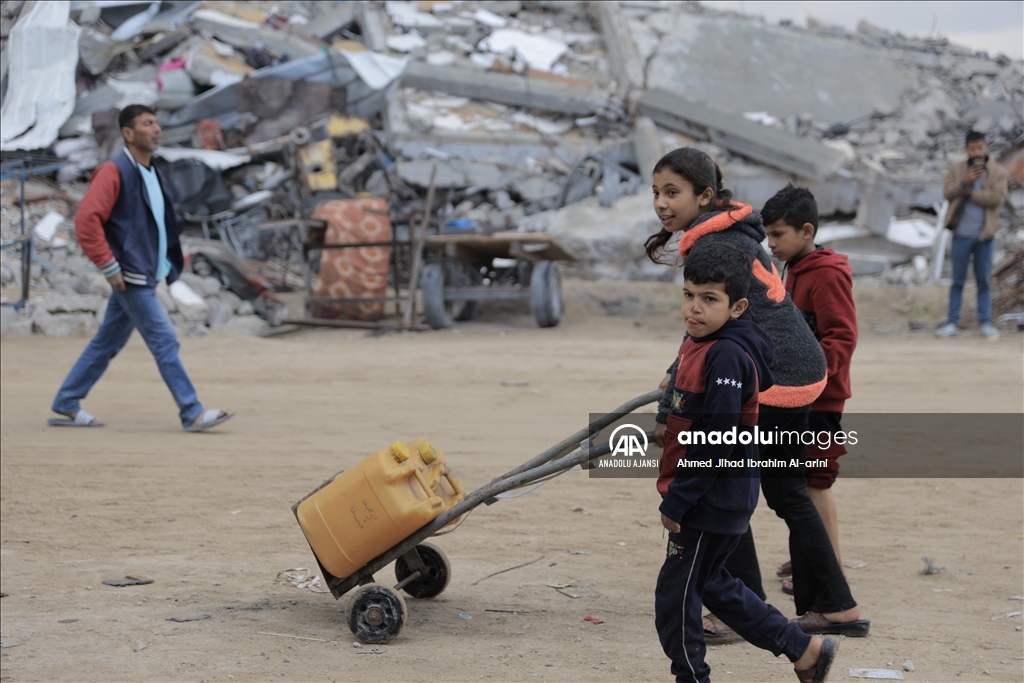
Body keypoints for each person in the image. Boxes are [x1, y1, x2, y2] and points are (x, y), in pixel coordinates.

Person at [647, 148, 868, 641]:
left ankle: (738, 608)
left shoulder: (714, 243)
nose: (661, 204)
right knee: (787, 492)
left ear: (705, 196)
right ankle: (836, 606)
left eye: (672, 192)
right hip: (796, 367)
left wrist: (673, 390)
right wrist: (675, 374)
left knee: (722, 483)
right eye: (656, 192)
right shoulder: (734, 231)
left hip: (773, 373)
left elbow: (706, 322)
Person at [655, 240, 838, 683]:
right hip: (717, 496)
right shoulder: (705, 344)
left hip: (709, 498)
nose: (694, 308)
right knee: (712, 583)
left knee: (675, 597)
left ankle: (691, 677)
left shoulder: (727, 355)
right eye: (689, 295)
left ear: (737, 307)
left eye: (709, 299)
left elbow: (718, 439)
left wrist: (679, 499)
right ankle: (803, 649)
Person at [49, 104, 233, 432]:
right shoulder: (113, 171)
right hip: (130, 274)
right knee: (165, 340)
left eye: (156, 123)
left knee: (107, 342)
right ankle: (191, 412)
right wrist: (109, 266)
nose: (156, 129)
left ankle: (67, 400)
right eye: (147, 124)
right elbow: (87, 221)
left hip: (145, 271)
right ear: (128, 134)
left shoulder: (151, 172)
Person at [763, 184, 858, 591]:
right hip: (796, 398)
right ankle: (809, 549)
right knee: (795, 481)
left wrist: (812, 376)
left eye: (778, 234)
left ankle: (830, 570)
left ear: (806, 231)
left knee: (814, 481)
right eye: (767, 235)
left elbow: (842, 336)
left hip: (821, 399)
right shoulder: (792, 270)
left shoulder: (827, 274)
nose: (770, 244)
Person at [936, 130, 1009, 339]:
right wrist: (965, 182)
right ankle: (952, 323)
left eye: (980, 148)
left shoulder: (998, 171)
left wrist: (970, 193)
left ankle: (985, 323)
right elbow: (948, 194)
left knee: (983, 281)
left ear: (986, 147)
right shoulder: (956, 169)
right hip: (961, 234)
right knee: (957, 281)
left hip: (985, 236)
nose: (977, 152)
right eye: (973, 149)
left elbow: (996, 199)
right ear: (966, 150)